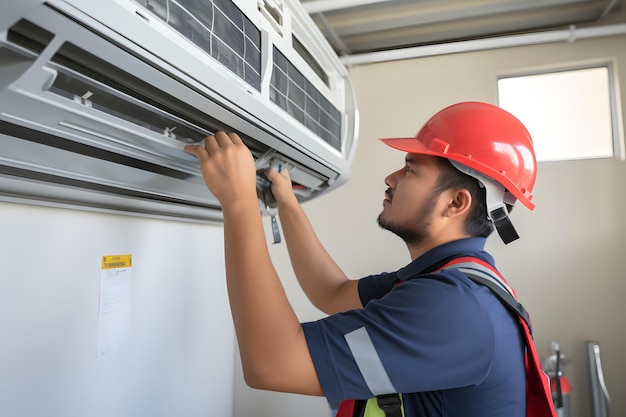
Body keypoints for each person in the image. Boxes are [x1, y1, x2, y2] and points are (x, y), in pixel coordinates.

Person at [184, 101, 538, 417]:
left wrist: (238, 201)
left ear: (455, 203)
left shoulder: (454, 305)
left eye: (411, 169)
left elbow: (270, 364)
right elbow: (332, 292)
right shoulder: (449, 278)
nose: (391, 178)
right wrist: (286, 202)